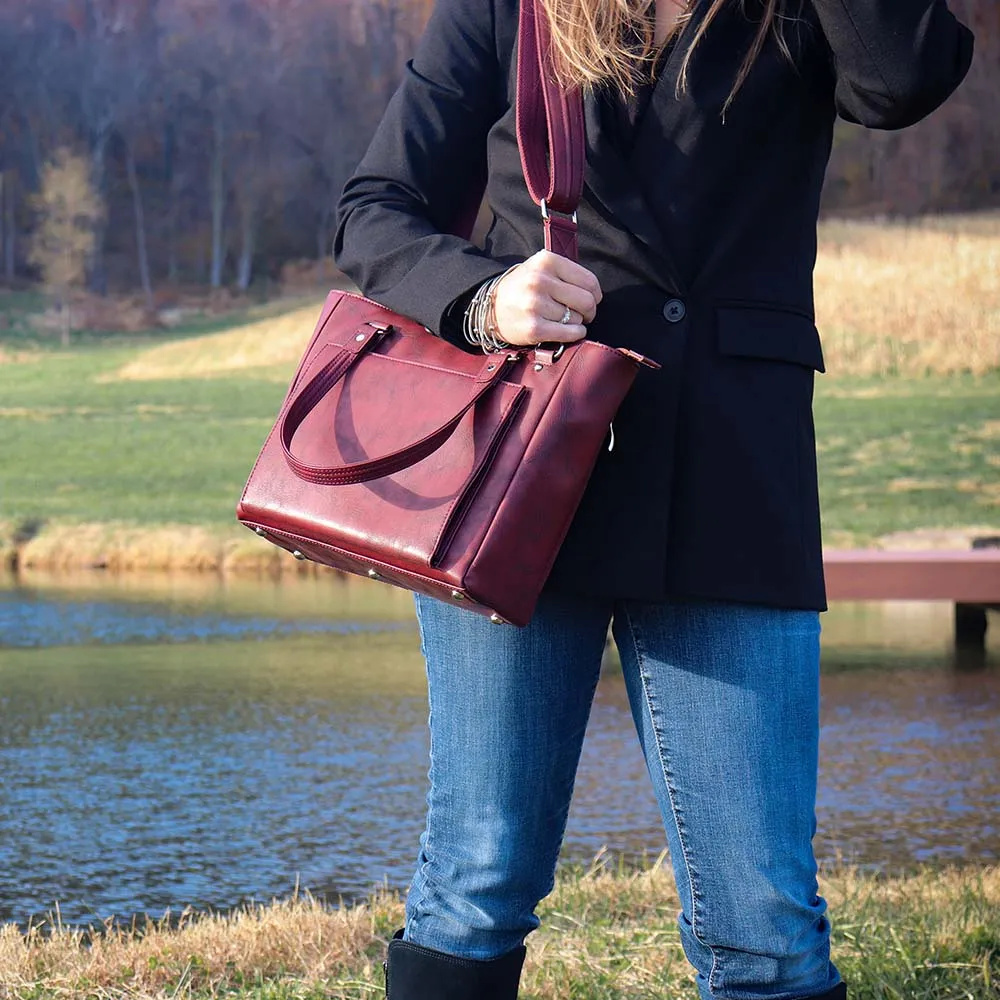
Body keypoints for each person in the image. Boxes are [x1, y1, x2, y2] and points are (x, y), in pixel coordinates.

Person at [333, 0, 974, 994]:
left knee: (763, 921)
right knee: (476, 883)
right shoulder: (507, 8)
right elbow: (374, 208)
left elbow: (903, 78)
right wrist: (483, 298)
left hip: (732, 477)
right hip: (521, 481)